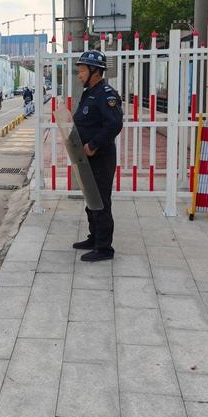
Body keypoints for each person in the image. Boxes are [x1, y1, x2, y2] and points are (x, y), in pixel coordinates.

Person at [71, 50, 124, 262]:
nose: (79, 74)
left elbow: (114, 124)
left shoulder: (106, 94)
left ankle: (104, 248)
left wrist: (93, 145)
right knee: (91, 199)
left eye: (82, 70)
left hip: (100, 156)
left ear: (95, 71)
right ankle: (94, 238)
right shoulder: (90, 93)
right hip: (86, 157)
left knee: (101, 201)